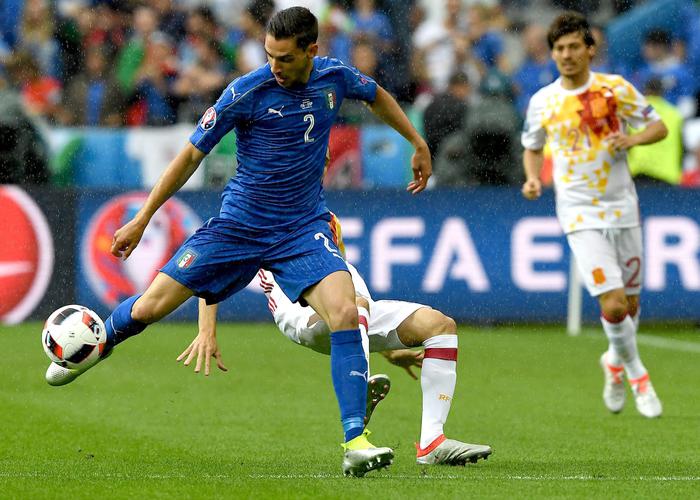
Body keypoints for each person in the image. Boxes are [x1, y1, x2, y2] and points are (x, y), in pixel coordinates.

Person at [45, 6, 431, 478]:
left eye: (285, 58)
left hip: (300, 229)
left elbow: (378, 96)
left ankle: (356, 440)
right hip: (239, 228)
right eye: (269, 55)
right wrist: (144, 218)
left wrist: (417, 141)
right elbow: (190, 154)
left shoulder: (335, 78)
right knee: (147, 309)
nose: (274, 65)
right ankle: (92, 349)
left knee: (346, 312)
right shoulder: (246, 91)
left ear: (312, 50)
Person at [181, 215, 492, 467]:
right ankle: (358, 393)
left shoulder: (325, 217)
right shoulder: (258, 215)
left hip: (355, 311)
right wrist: (207, 330)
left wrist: (392, 351)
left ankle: (432, 442)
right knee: (357, 305)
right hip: (300, 314)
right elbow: (214, 272)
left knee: (441, 326)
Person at [521, 12, 668, 419]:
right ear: (552, 54)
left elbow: (658, 128)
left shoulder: (615, 89)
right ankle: (637, 373)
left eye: (573, 47)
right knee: (615, 305)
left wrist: (632, 138)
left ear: (590, 49)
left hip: (623, 207)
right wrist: (533, 178)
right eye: (559, 49)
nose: (566, 55)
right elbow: (532, 146)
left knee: (631, 306)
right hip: (578, 211)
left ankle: (614, 361)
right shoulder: (544, 101)